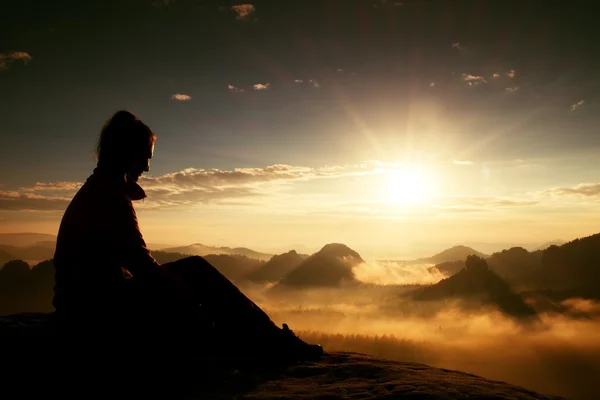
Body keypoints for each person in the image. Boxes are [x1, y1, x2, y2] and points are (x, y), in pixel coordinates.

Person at [52, 110, 323, 367]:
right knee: (197, 272)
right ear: (128, 154)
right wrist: (189, 296)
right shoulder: (109, 199)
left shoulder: (99, 190)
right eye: (145, 156)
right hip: (95, 313)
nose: (147, 167)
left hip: (83, 306)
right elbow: (143, 267)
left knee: (193, 272)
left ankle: (267, 342)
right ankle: (277, 345)